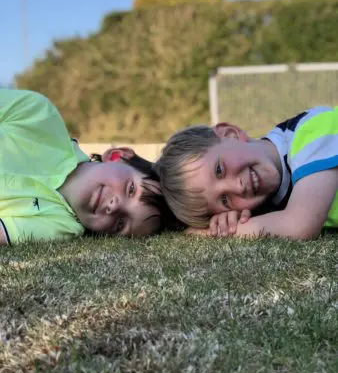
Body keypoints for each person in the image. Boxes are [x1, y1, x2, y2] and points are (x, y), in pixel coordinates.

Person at [0, 88, 170, 245]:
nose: (114, 206)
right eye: (131, 189)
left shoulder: (60, 227)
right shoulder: (38, 114)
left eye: (120, 224)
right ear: (118, 156)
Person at [155, 106, 338, 240]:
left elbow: (300, 225)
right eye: (224, 200)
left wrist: (209, 233)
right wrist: (233, 221)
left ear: (230, 134)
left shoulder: (312, 131)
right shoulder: (272, 202)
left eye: (219, 170)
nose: (237, 186)